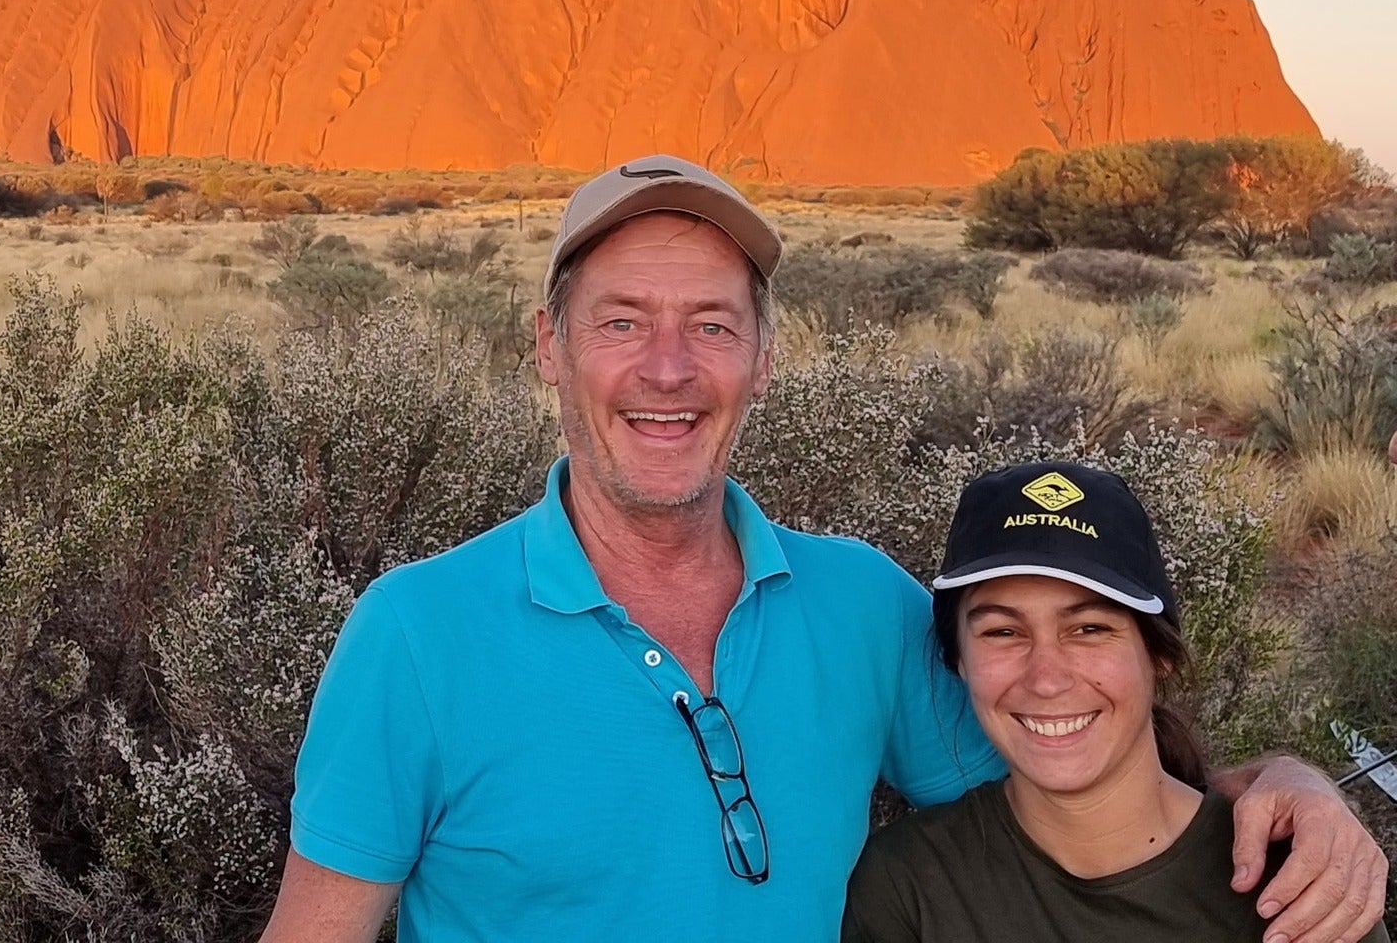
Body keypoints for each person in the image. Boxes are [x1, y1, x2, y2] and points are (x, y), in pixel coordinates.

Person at [259, 156, 1388, 943]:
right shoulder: (416, 633)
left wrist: (1282, 786)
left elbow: (1077, 777)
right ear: (546, 347)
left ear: (761, 357)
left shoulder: (858, 603)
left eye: (710, 323)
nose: (667, 369)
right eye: (619, 322)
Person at [843, 461, 1391, 942]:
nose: (1047, 678)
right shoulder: (907, 888)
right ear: (959, 661)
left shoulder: (1305, 881)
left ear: (1159, 654)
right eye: (1003, 633)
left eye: (1088, 628)